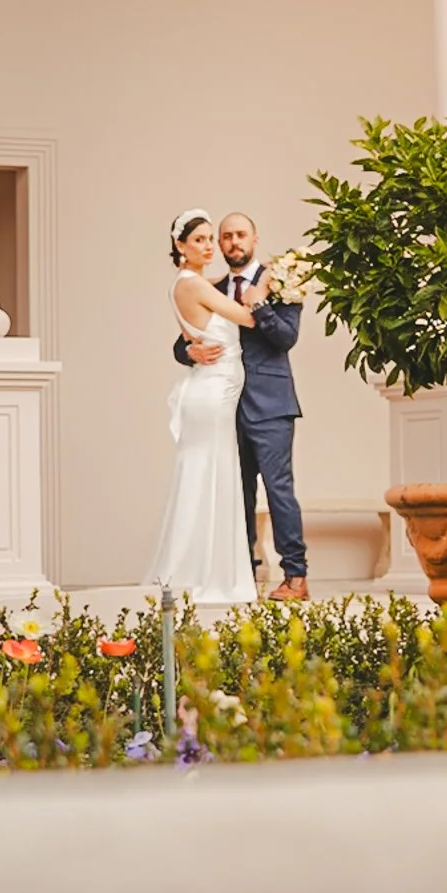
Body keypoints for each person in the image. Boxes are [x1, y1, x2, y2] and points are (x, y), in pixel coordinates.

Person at [175, 208, 308, 602]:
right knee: (237, 492)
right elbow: (184, 340)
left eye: (241, 235)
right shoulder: (209, 286)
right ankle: (242, 574)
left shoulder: (282, 283)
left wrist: (260, 304)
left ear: (255, 240)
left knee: (279, 490)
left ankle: (295, 577)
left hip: (271, 405)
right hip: (223, 407)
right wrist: (189, 352)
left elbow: (286, 338)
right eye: (227, 236)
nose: (233, 242)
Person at [145, 211, 263, 607]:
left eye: (212, 238)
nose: (210, 246)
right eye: (200, 239)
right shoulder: (194, 284)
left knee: (207, 476)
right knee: (208, 476)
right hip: (211, 395)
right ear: (180, 245)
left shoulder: (189, 285)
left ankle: (199, 569)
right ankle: (196, 574)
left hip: (211, 392)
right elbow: (246, 317)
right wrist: (262, 290)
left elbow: (196, 332)